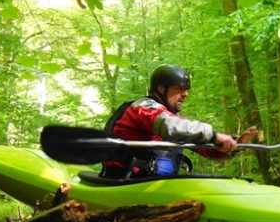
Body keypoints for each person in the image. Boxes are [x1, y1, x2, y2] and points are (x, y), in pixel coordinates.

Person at [102, 64, 257, 178]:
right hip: (126, 181)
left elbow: (205, 147)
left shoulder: (173, 120)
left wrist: (235, 145)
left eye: (187, 89)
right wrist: (214, 135)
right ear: (162, 89)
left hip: (157, 184)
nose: (185, 94)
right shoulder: (143, 108)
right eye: (180, 88)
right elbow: (172, 127)